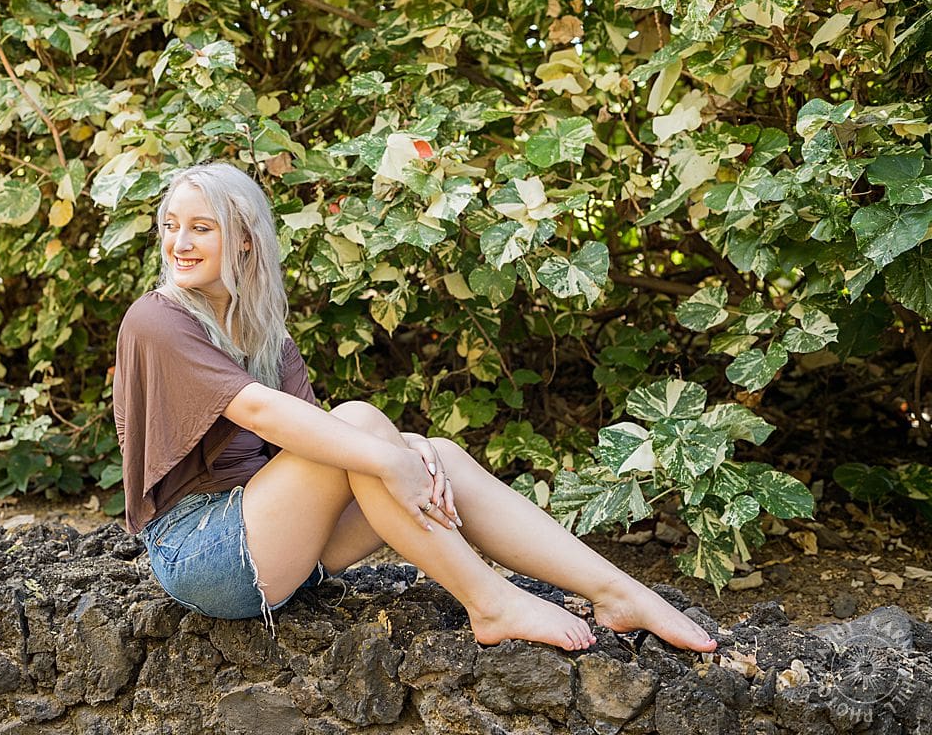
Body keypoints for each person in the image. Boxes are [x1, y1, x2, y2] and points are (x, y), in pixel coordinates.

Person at [113, 162, 717, 653]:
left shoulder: (265, 335)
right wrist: (389, 454)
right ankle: (491, 603)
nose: (179, 243)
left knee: (438, 454)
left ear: (244, 238)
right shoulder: (157, 320)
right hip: (201, 553)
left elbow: (315, 442)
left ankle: (618, 592)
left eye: (201, 228)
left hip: (281, 547)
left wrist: (405, 449)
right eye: (171, 226)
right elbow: (265, 416)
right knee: (363, 427)